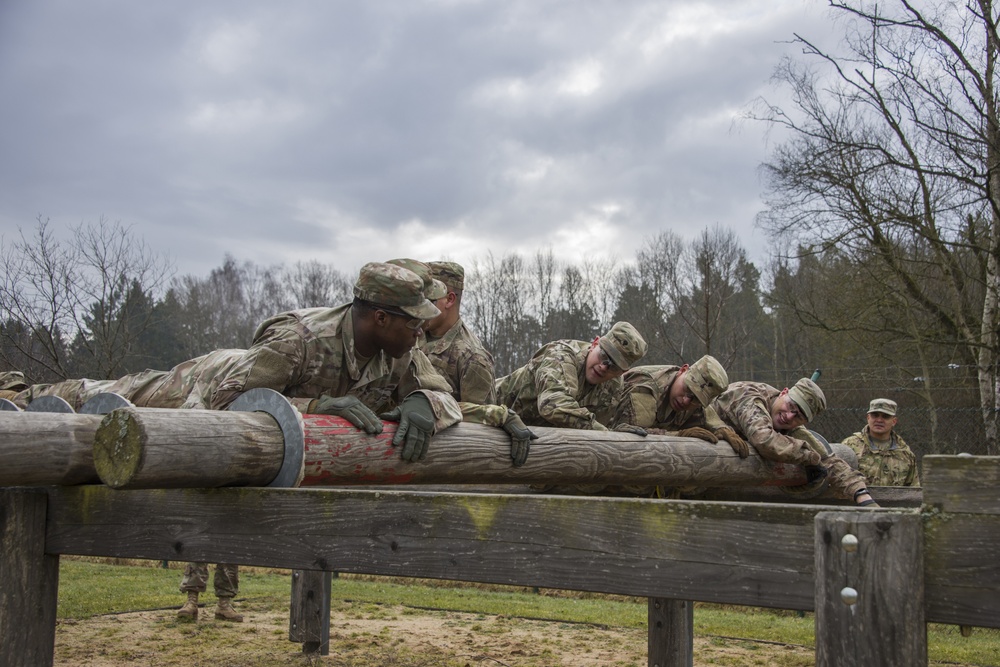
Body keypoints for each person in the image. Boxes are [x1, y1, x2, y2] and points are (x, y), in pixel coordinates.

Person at [5, 261, 466, 621]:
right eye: (414, 323)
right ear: (381, 318)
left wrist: (425, 403)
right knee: (110, 394)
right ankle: (19, 393)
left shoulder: (403, 350)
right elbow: (232, 400)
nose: (422, 331)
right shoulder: (299, 339)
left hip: (241, 397)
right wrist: (314, 408)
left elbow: (446, 398)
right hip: (205, 385)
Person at [710, 378, 878, 506]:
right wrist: (808, 457)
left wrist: (862, 495)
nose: (789, 415)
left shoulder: (791, 426)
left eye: (799, 415)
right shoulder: (748, 396)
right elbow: (765, 440)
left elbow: (827, 458)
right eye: (791, 406)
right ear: (783, 392)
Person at [495, 321, 648, 430]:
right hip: (489, 412)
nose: (603, 366)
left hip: (532, 435)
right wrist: (603, 431)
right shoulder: (562, 355)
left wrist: (616, 434)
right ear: (594, 344)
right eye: (603, 355)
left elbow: (597, 427)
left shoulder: (613, 387)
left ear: (622, 372)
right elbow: (552, 405)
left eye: (614, 366)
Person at [611, 355, 747, 453]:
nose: (686, 401)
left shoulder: (694, 401)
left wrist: (723, 430)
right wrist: (680, 435)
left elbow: (711, 418)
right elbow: (633, 436)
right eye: (688, 389)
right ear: (682, 370)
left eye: (696, 399)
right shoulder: (646, 386)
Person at [842, 398, 920, 486]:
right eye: (875, 415)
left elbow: (913, 490)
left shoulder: (905, 454)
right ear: (868, 418)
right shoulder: (849, 446)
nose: (879, 420)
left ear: (894, 421)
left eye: (885, 416)